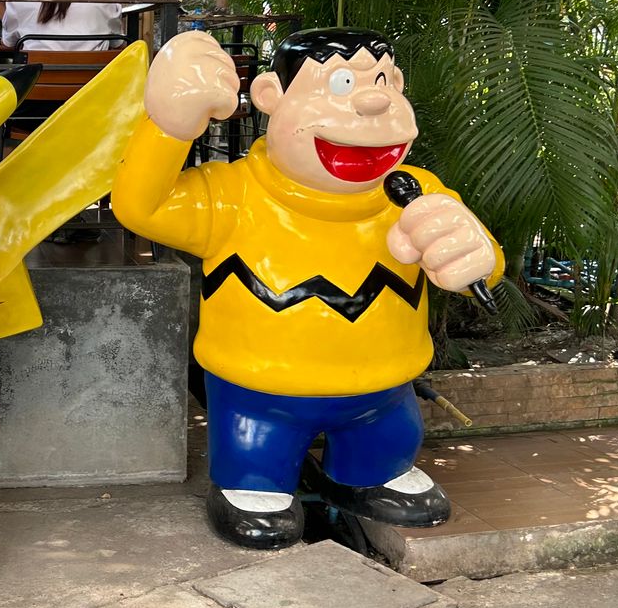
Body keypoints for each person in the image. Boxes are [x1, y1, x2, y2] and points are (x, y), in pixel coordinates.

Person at [112, 29, 504, 549]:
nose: (373, 102)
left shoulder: (414, 192)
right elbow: (142, 208)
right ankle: (253, 482)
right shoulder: (232, 195)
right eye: (341, 83)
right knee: (256, 457)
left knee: (388, 438)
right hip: (259, 394)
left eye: (384, 82)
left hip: (383, 391)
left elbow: (479, 265)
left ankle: (372, 472)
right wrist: (167, 128)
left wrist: (475, 255)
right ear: (271, 96)